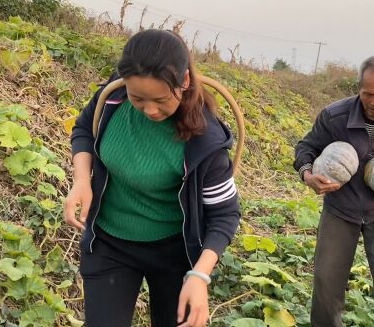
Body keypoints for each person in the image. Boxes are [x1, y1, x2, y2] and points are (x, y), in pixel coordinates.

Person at [64, 29, 241, 327]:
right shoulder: (112, 98)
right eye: (138, 98)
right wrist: (82, 180)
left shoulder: (205, 140)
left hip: (175, 253)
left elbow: (224, 215)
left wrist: (199, 276)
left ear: (184, 81)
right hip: (110, 244)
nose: (149, 109)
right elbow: (83, 129)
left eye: (160, 99)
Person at [293, 56, 374, 327]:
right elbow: (305, 148)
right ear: (358, 88)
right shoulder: (334, 116)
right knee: (326, 283)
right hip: (341, 209)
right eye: (368, 94)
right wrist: (308, 175)